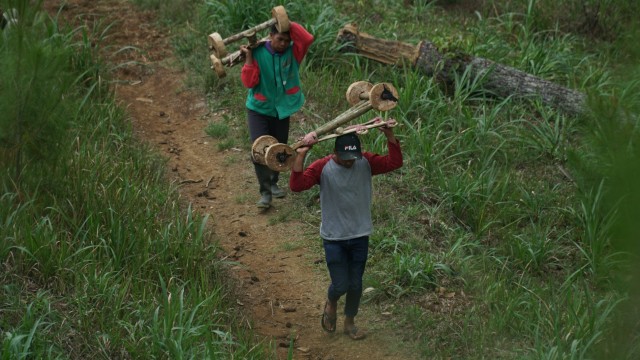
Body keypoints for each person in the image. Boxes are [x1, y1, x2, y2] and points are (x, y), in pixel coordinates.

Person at [289, 118, 403, 340]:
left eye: (353, 158)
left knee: (356, 283)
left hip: (360, 234)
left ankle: (350, 321)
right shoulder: (322, 167)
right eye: (345, 158)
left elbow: (394, 163)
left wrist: (390, 136)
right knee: (340, 284)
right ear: (335, 152)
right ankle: (331, 301)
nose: (350, 162)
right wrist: (301, 154)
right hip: (334, 237)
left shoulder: (365, 162)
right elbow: (297, 185)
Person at [239, 19, 314, 209]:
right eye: (279, 39)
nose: (282, 44)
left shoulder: (293, 53)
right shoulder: (257, 51)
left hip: (282, 108)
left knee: (279, 148)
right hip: (259, 108)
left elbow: (306, 39)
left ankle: (273, 182)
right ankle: (264, 192)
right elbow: (249, 82)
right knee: (260, 149)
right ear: (270, 36)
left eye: (286, 41)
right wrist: (248, 57)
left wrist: (284, 20)